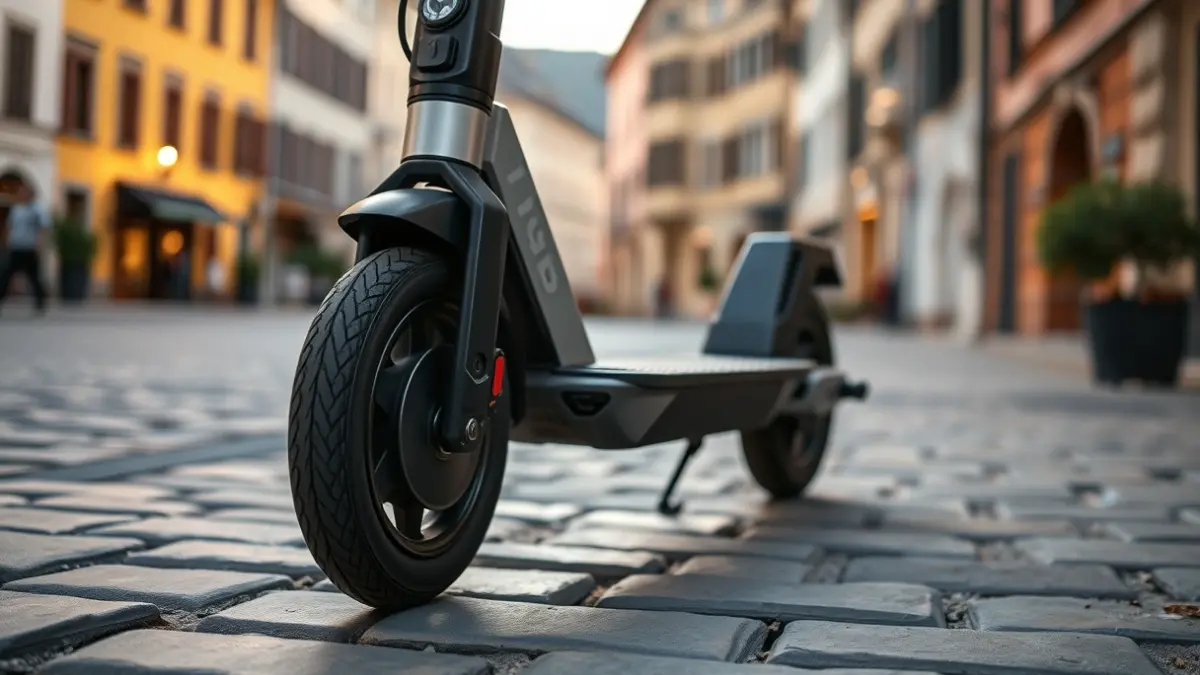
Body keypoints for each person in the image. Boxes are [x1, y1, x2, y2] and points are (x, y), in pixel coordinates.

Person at [0, 184, 50, 316]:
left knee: (34, 277)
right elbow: (9, 226)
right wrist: (6, 241)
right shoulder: (16, 209)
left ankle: (40, 303)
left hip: (29, 248)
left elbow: (43, 228)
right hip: (16, 247)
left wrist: (39, 245)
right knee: (6, 275)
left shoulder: (37, 209)